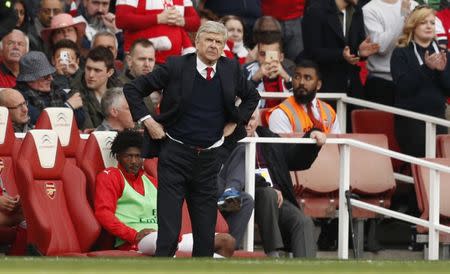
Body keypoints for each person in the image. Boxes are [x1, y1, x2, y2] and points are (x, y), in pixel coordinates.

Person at [124, 21, 260, 257]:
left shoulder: (231, 69)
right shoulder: (177, 66)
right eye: (208, 40)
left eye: (219, 42)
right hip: (174, 155)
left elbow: (252, 96)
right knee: (168, 236)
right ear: (197, 42)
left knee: (206, 239)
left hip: (208, 161)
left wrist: (236, 121)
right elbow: (134, 89)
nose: (213, 46)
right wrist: (149, 121)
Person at [94, 130, 235, 257]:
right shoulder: (110, 176)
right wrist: (133, 235)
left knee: (227, 241)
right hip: (136, 240)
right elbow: (103, 213)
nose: (134, 161)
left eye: (138, 156)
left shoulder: (152, 181)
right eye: (128, 156)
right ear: (118, 157)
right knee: (166, 243)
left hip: (164, 236)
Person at [218, 108, 326, 257]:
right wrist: (265, 185)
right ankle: (273, 255)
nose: (248, 124)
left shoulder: (267, 137)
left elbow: (294, 158)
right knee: (268, 193)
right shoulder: (226, 138)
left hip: (276, 198)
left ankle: (306, 269)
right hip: (242, 197)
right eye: (244, 119)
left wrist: (311, 140)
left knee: (303, 222)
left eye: (253, 119)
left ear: (259, 120)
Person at [391, 5, 450, 158]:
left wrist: (441, 71)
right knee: (423, 164)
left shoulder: (443, 54)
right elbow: (404, 88)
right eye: (424, 22)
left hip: (438, 118)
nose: (429, 26)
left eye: (432, 22)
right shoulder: (401, 53)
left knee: (440, 164)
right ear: (413, 25)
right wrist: (426, 68)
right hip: (411, 121)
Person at [302, 0, 380, 97]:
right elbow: (312, 52)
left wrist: (359, 52)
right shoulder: (316, 11)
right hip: (326, 88)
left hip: (352, 87)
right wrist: (341, 54)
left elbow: (353, 50)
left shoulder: (357, 11)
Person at [267, 60, 340, 134]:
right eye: (297, 77)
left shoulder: (330, 112)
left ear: (318, 85)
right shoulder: (280, 114)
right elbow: (284, 146)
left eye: (307, 78)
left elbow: (337, 144)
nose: (301, 82)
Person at [115, 0, 200, 64]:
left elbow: (196, 23)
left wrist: (182, 20)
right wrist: (158, 18)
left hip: (174, 63)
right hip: (141, 61)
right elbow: (121, 19)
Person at [14, 51, 85, 126]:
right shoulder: (18, 96)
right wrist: (68, 107)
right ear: (30, 80)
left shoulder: (56, 89)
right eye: (45, 76)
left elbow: (80, 119)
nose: (51, 79)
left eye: (51, 74)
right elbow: (40, 120)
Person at [72, 46, 122, 129]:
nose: (91, 75)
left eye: (97, 70)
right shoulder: (77, 94)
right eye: (88, 68)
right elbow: (88, 131)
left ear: (110, 72)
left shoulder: (120, 92)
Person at [244, 39, 293, 109]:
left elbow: (300, 101)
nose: (267, 60)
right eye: (262, 54)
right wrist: (254, 80)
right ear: (257, 56)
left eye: (272, 55)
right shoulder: (245, 71)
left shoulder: (291, 72)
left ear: (281, 57)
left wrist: (287, 79)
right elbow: (238, 100)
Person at [120, 39, 158, 116]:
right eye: (142, 59)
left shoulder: (160, 86)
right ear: (129, 60)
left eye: (150, 60)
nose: (147, 64)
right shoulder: (119, 87)